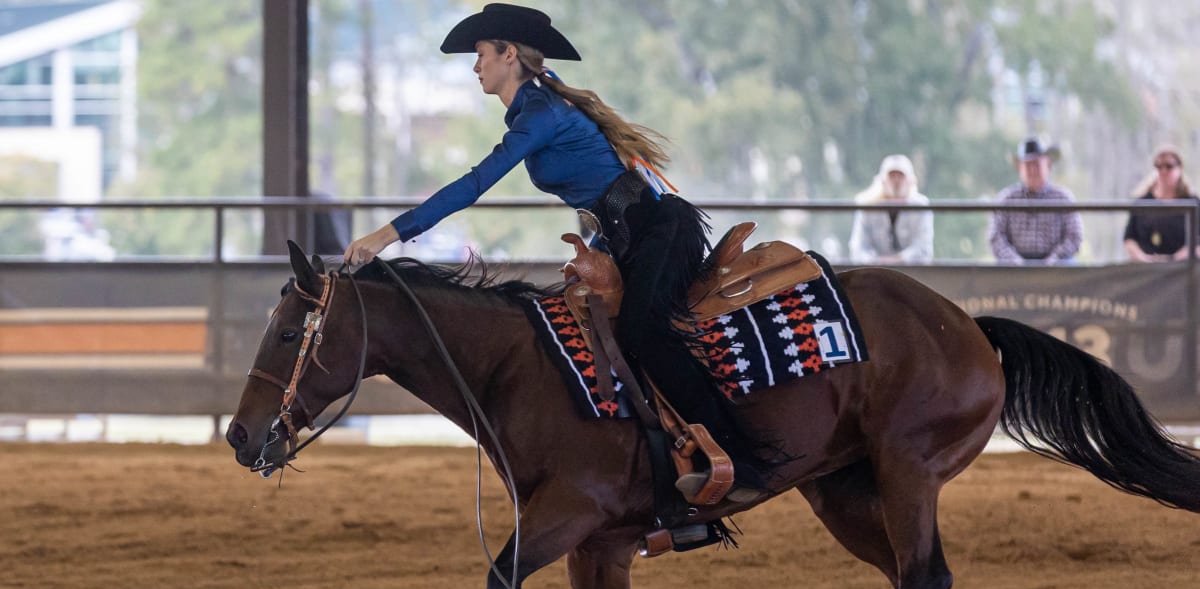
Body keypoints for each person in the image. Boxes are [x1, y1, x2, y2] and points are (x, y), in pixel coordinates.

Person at [342, 5, 763, 489]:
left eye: (481, 55)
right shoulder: (540, 105)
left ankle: (737, 462)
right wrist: (596, 247)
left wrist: (385, 236)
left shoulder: (540, 113)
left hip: (658, 232)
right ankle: (655, 462)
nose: (475, 66)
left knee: (644, 334)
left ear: (508, 54)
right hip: (634, 236)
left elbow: (474, 184)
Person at [988, 137, 1082, 264]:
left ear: (1048, 166)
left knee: (1071, 266)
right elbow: (995, 236)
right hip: (1014, 262)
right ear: (1020, 169)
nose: (1032, 170)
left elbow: (1074, 237)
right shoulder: (1006, 198)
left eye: (1036, 165)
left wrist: (1053, 259)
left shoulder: (1063, 198)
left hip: (1056, 263)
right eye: (1027, 165)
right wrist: (1015, 261)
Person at [848, 154, 933, 264]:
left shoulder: (920, 206)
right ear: (883, 180)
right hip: (874, 273)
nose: (896, 181)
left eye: (900, 176)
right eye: (892, 176)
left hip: (913, 274)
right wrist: (875, 262)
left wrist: (898, 259)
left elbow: (923, 248)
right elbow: (858, 247)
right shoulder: (867, 206)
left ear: (910, 180)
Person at [1123, 145, 1199, 262]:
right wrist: (1144, 259)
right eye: (1158, 166)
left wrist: (1175, 259)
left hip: (1184, 269)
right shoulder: (1142, 202)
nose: (1163, 171)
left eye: (1169, 166)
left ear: (1179, 169)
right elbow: (1129, 239)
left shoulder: (1192, 202)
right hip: (1146, 270)